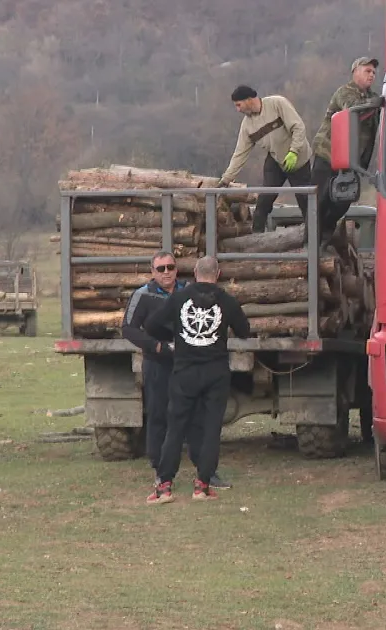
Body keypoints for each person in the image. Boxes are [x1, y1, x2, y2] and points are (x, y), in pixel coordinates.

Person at [142, 256, 251, 504]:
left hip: (184, 372)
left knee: (175, 428)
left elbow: (151, 324)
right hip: (216, 372)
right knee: (211, 429)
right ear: (219, 274)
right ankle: (202, 486)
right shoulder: (226, 301)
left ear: (194, 272)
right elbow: (245, 331)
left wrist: (176, 336)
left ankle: (165, 487)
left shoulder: (179, 298)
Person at [121, 251, 230, 490]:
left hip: (189, 364)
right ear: (152, 272)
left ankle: (206, 471)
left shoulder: (188, 292)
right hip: (158, 363)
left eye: (170, 267)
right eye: (161, 269)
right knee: (159, 414)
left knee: (198, 417)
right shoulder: (143, 295)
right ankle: (161, 472)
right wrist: (156, 346)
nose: (166, 272)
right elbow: (128, 328)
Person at [217, 85, 314, 233]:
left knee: (305, 202)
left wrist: (294, 151)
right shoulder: (247, 125)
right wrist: (226, 180)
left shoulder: (277, 104)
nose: (238, 109)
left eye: (239, 105)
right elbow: (240, 153)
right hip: (275, 160)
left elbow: (298, 127)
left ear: (249, 100)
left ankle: (313, 239)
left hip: (298, 159)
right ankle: (257, 239)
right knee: (264, 201)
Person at [311, 57, 382, 240]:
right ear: (355, 72)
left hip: (350, 160)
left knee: (344, 200)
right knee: (320, 200)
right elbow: (352, 109)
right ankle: (310, 243)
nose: (372, 75)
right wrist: (376, 104)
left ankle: (325, 235)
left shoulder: (372, 98)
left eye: (374, 72)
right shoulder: (344, 92)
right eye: (367, 71)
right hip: (328, 153)